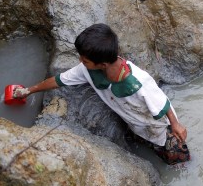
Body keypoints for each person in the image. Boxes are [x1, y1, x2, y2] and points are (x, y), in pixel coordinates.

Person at [13, 23, 191, 165]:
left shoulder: (138, 82)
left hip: (160, 129)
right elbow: (59, 80)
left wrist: (176, 125)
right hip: (136, 125)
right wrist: (28, 91)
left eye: (85, 60)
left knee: (177, 160)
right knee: (143, 141)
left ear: (103, 64)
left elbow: (163, 104)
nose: (80, 62)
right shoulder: (86, 70)